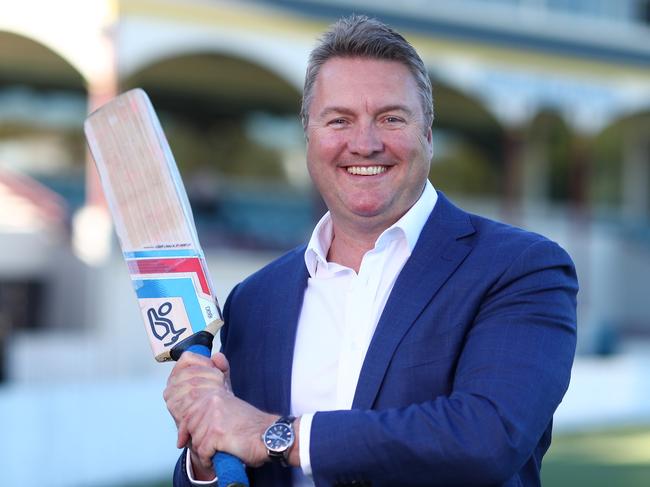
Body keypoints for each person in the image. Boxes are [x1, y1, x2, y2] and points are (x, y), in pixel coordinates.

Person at [164, 14, 578, 487]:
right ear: (310, 140)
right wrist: (207, 447)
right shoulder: (255, 300)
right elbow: (234, 463)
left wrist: (275, 435)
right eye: (339, 120)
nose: (365, 143)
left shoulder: (520, 269)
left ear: (427, 136)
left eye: (391, 118)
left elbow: (486, 436)